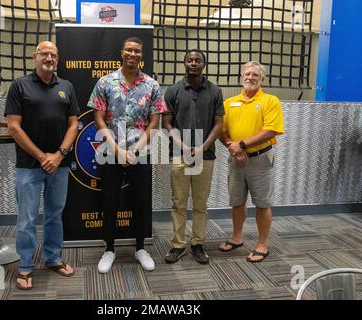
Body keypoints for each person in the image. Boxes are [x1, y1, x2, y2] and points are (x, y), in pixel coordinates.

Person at [87, 36, 167, 273]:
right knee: (109, 200)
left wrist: (136, 148)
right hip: (110, 151)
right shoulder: (106, 82)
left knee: (141, 200)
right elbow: (98, 117)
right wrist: (116, 149)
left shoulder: (151, 85)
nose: (133, 54)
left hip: (140, 151)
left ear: (142, 55)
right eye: (129, 50)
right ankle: (109, 249)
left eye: (137, 51)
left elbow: (155, 120)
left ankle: (141, 247)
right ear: (122, 52)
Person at [5, 41, 80, 289]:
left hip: (59, 164)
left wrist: (58, 155)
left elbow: (73, 124)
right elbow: (14, 126)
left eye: (53, 55)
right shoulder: (19, 86)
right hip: (29, 165)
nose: (49, 57)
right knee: (26, 218)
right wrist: (41, 156)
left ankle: (53, 258)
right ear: (34, 56)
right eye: (44, 53)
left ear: (57, 59)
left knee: (54, 214)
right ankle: (25, 266)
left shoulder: (66, 87)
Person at [218, 61, 284, 263]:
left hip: (260, 159)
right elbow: (221, 131)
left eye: (255, 75)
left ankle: (262, 244)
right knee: (237, 201)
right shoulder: (229, 103)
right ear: (241, 77)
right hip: (236, 158)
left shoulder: (270, 101)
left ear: (262, 79)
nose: (250, 78)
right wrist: (233, 147)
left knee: (262, 203)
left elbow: (271, 130)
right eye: (247, 74)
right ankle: (236, 238)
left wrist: (243, 145)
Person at [163, 49, 223, 264]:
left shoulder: (215, 91)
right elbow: (166, 123)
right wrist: (181, 144)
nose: (194, 63)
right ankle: (178, 245)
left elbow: (219, 124)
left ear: (204, 64)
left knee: (200, 203)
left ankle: (197, 244)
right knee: (178, 202)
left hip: (204, 156)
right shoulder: (173, 91)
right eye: (190, 60)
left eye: (198, 60)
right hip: (179, 154)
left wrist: (203, 146)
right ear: (185, 63)